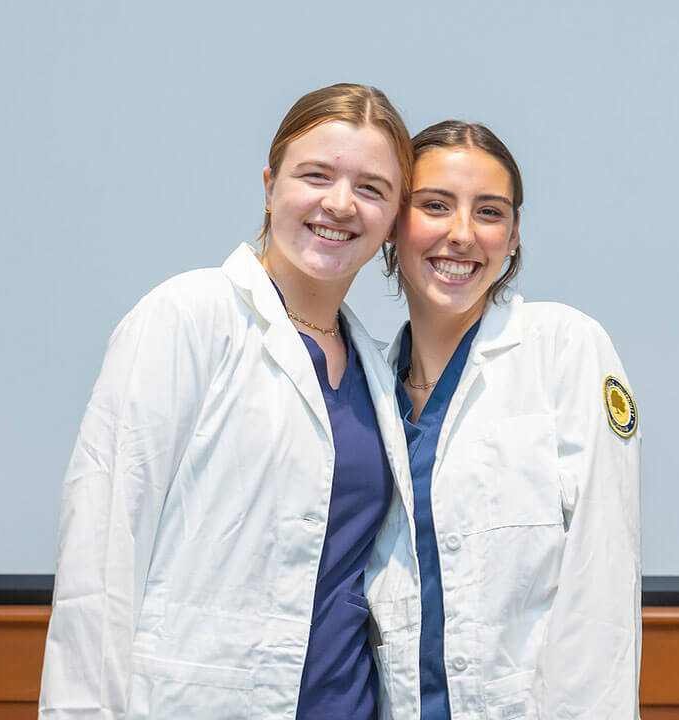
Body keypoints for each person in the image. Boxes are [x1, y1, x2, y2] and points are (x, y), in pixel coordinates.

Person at [39, 84, 422, 720]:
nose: (339, 203)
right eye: (316, 175)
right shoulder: (188, 317)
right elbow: (101, 558)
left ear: (392, 220)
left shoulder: (378, 374)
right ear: (270, 187)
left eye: (371, 188)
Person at [382, 121, 642, 719]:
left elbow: (601, 578)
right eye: (436, 206)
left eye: (490, 212)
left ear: (514, 236)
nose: (462, 234)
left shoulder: (564, 347)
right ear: (396, 223)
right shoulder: (369, 383)